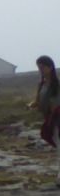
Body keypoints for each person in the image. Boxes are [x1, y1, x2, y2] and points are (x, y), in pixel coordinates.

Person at [28, 56, 60, 185]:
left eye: (42, 67)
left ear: (50, 67)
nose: (40, 70)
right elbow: (37, 101)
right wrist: (32, 105)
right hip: (50, 118)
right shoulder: (41, 85)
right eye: (39, 68)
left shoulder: (57, 84)